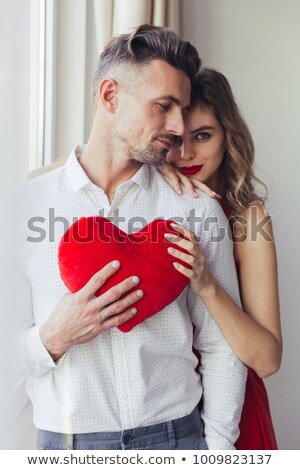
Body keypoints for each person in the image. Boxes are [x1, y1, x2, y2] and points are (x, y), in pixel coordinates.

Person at [18, 26, 247, 450]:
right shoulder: (21, 210)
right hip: (66, 447)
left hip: (179, 440)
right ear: (110, 96)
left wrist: (217, 452)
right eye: (164, 106)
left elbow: (221, 346)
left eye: (182, 109)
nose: (178, 127)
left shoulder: (196, 210)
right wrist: (50, 339)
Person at [159, 67, 282, 449]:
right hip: (160, 413)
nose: (186, 153)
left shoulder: (248, 221)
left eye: (203, 135)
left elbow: (267, 359)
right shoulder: (145, 204)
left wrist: (208, 283)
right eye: (175, 139)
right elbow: (44, 175)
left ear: (228, 135)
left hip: (235, 416)